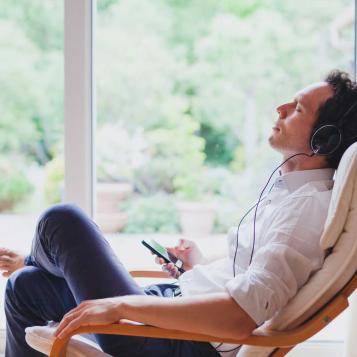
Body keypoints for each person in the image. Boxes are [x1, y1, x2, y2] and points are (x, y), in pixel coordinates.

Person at [2, 69, 357, 357]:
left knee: (62, 221)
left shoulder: (306, 207)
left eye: (297, 108)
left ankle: (37, 259)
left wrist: (122, 308)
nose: (280, 108)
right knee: (25, 288)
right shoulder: (288, 194)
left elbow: (239, 318)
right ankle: (35, 266)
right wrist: (200, 267)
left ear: (324, 139)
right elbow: (252, 280)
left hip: (177, 341)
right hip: (173, 307)